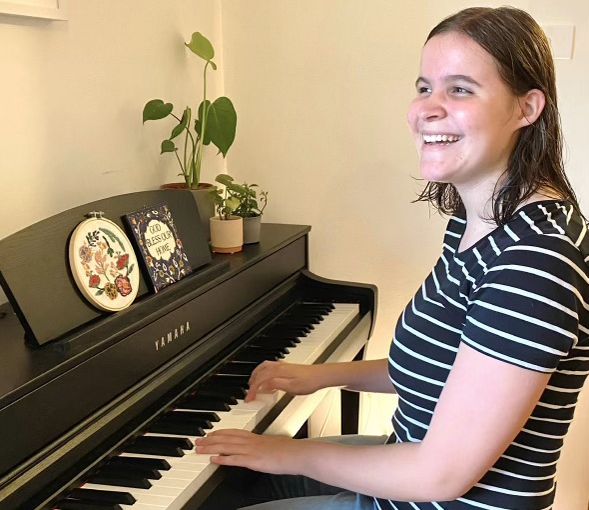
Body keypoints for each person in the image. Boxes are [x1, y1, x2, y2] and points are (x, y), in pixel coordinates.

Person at [195, 6, 589, 509]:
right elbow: (444, 365)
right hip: (409, 461)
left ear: (525, 108)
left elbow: (439, 476)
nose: (426, 108)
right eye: (425, 87)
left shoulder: (537, 258)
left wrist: (284, 451)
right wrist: (321, 375)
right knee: (234, 480)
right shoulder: (480, 223)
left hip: (434, 494)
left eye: (460, 89)